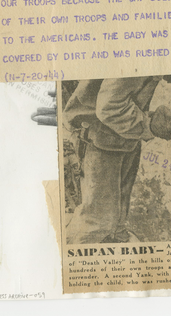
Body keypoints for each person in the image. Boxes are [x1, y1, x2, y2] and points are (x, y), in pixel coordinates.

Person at [62, 76, 162, 244]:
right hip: (100, 137)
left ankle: (115, 235)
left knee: (119, 210)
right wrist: (150, 126)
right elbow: (109, 108)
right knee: (96, 220)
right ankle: (80, 260)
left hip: (124, 137)